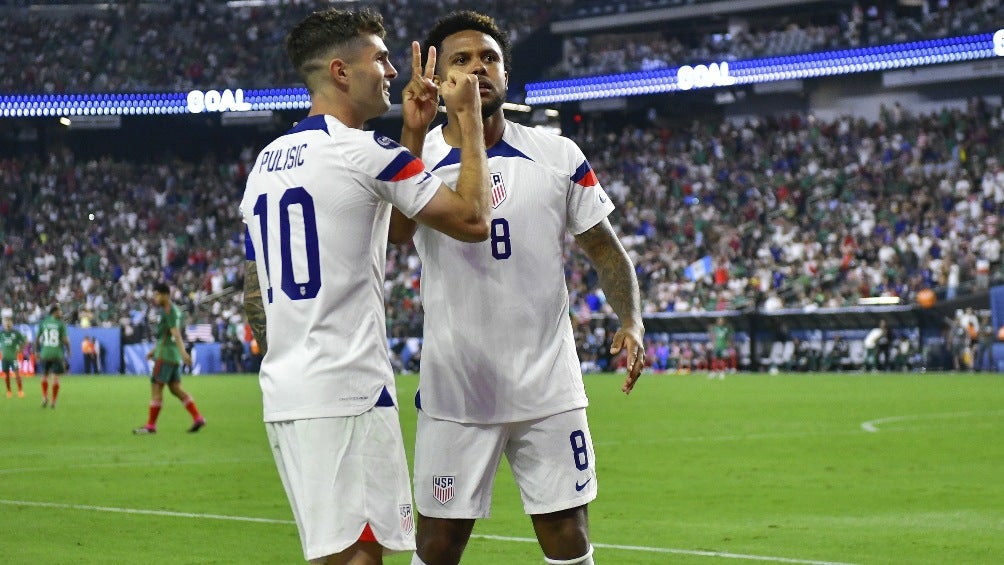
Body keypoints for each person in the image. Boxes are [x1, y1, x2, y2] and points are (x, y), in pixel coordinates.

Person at [388, 12, 645, 565]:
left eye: (490, 58)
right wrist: (412, 130)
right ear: (436, 75)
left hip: (547, 383)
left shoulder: (558, 155)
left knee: (568, 535)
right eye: (461, 59)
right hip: (456, 386)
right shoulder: (419, 158)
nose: (479, 67)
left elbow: (605, 249)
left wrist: (631, 320)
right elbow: (395, 232)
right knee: (436, 544)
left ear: (506, 73)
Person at [240, 7, 492, 565]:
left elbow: (396, 229)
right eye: (379, 58)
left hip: (288, 389)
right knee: (360, 558)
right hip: (347, 388)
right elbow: (474, 221)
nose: (391, 71)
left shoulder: (265, 163)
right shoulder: (362, 151)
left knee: (338, 554)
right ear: (340, 71)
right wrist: (467, 118)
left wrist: (414, 132)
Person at [133, 282, 205, 434]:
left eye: (157, 294)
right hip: (172, 356)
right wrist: (154, 350)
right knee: (175, 389)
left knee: (156, 388)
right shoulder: (174, 310)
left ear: (166, 295)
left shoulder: (168, 310)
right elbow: (166, 335)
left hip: (164, 356)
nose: (155, 297)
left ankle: (151, 426)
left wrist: (184, 353)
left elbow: (175, 334)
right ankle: (198, 417)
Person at [36, 304, 69, 408]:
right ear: (55, 312)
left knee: (44, 375)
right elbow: (65, 340)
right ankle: (53, 401)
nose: (61, 313)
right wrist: (69, 350)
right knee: (55, 377)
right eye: (60, 311)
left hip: (45, 353)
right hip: (56, 353)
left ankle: (45, 397)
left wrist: (37, 352)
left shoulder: (43, 322)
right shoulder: (60, 324)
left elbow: (37, 339)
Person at [1, 316, 27, 398]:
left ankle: (20, 391)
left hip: (13, 357)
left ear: (12, 323)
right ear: (4, 324)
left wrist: (20, 349)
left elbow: (24, 340)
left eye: (9, 322)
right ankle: (9, 391)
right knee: (6, 375)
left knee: (17, 374)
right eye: (6, 322)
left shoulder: (15, 333)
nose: (8, 324)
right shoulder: (2, 333)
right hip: (4, 358)